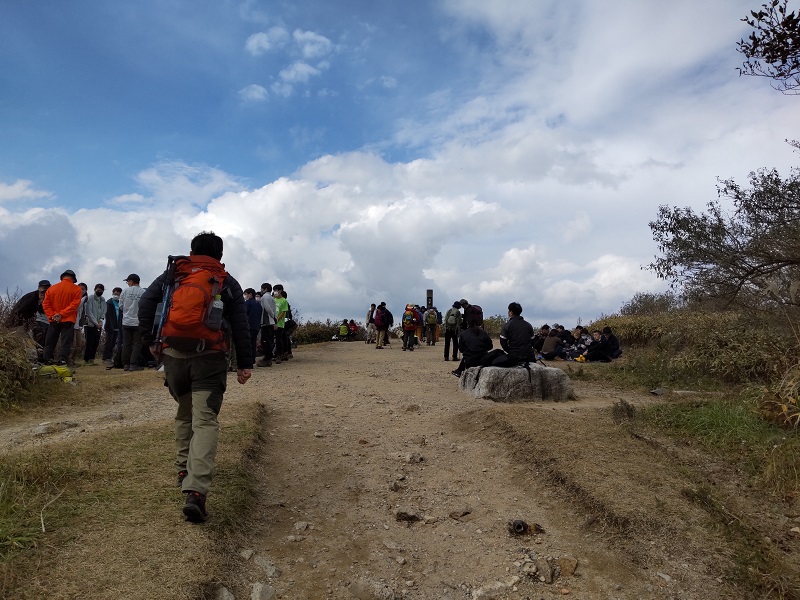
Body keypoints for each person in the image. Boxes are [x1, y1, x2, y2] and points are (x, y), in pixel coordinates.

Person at [138, 231, 253, 523]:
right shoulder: (225, 281)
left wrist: (150, 341)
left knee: (184, 413)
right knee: (205, 421)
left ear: (191, 250)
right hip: (210, 358)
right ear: (220, 255)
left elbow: (146, 303)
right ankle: (196, 491)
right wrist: (245, 363)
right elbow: (241, 323)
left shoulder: (174, 273)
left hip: (174, 355)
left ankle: (182, 469)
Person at [42, 270, 83, 365]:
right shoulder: (76, 289)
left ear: (62, 277)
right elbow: (74, 305)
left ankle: (46, 360)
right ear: (73, 278)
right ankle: (63, 361)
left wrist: (53, 315)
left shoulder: (52, 289)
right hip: (68, 320)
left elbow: (45, 304)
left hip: (53, 320)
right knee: (66, 343)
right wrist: (62, 314)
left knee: (50, 341)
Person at [4, 279, 51, 348]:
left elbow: (41, 310)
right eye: (43, 289)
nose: (44, 293)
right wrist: (28, 323)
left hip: (24, 323)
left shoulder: (42, 298)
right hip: (17, 324)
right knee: (21, 343)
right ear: (39, 288)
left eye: (47, 289)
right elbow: (21, 310)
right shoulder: (32, 297)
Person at [492, 302, 536, 367]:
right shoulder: (528, 325)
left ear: (511, 312)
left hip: (515, 356)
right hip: (529, 356)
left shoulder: (507, 325)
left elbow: (503, 342)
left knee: (494, 361)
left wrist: (510, 351)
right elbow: (533, 341)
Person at [120, 273, 146, 371]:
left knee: (126, 343)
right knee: (137, 344)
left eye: (128, 281)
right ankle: (133, 364)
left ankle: (125, 364)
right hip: (137, 322)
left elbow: (121, 306)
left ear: (131, 281)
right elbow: (144, 307)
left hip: (126, 321)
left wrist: (127, 312)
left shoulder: (125, 291)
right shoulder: (143, 292)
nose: (127, 283)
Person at [82, 283, 105, 365]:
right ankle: (86, 359)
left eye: (101, 290)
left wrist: (101, 321)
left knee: (96, 341)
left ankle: (92, 359)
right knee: (89, 342)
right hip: (90, 324)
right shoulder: (90, 298)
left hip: (98, 324)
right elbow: (89, 312)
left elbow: (103, 311)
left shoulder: (102, 299)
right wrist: (95, 322)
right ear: (95, 289)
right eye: (98, 290)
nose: (99, 291)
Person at [257, 283, 276, 367]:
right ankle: (268, 357)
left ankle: (267, 358)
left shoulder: (264, 297)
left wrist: (273, 316)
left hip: (266, 321)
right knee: (269, 340)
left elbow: (267, 308)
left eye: (262, 289)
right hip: (271, 322)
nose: (261, 290)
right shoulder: (271, 297)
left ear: (265, 289)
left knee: (265, 341)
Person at [102, 287, 122, 364]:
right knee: (108, 342)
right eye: (115, 294)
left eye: (118, 294)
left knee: (115, 343)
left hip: (118, 325)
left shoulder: (120, 302)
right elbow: (108, 316)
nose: (116, 295)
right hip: (110, 326)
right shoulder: (109, 302)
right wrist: (111, 326)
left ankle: (113, 357)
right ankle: (106, 357)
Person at [272, 284, 289, 363]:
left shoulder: (284, 300)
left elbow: (283, 312)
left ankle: (280, 355)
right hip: (271, 323)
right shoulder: (273, 299)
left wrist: (277, 320)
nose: (275, 292)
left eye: (276, 290)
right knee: (271, 340)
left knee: (279, 340)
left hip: (279, 324)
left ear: (280, 291)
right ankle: (273, 355)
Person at [244, 288, 261, 361]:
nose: (245, 296)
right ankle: (253, 359)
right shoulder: (258, 304)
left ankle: (248, 360)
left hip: (249, 325)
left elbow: (244, 313)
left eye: (246, 294)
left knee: (247, 343)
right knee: (253, 343)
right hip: (256, 326)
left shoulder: (247, 303)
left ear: (250, 294)